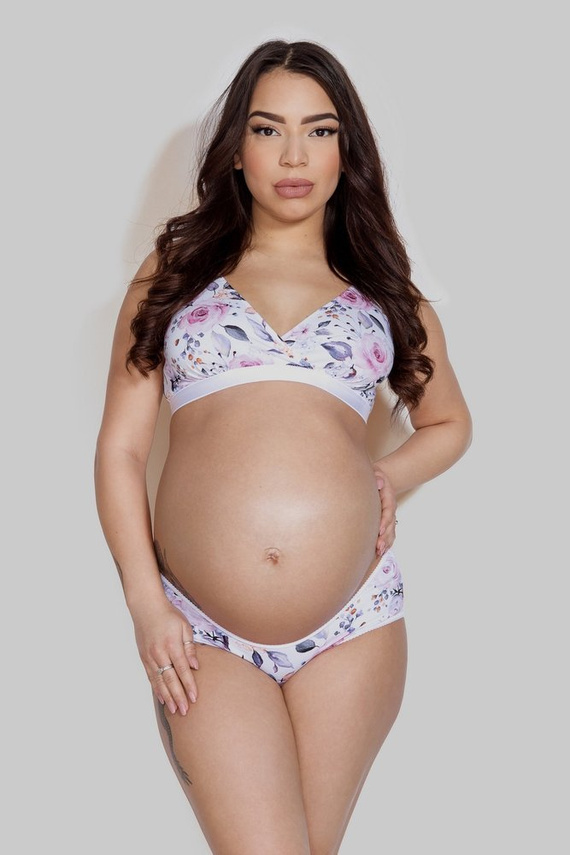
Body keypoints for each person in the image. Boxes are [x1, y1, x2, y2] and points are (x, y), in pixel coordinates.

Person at [94, 38, 472, 854]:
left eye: (320, 131)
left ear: (347, 149)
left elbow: (449, 422)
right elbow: (121, 451)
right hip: (199, 627)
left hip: (354, 626)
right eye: (268, 130)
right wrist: (146, 605)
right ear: (236, 150)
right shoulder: (176, 273)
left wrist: (384, 474)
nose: (294, 156)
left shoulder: (383, 293)